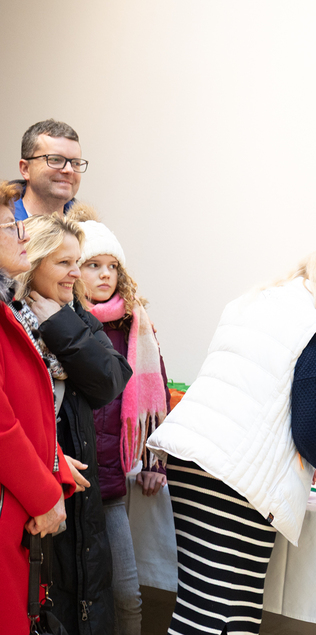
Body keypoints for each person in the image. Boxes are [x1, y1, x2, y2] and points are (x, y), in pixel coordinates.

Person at [147, 245, 316, 635]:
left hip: (190, 460)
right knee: (223, 613)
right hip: (234, 481)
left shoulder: (251, 304)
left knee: (208, 607)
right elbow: (312, 428)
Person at [14, 212, 131, 635]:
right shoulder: (13, 321)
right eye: (65, 263)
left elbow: (110, 380)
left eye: (77, 262)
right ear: (33, 263)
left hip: (80, 495)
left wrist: (59, 323)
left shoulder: (74, 312)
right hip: (35, 494)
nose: (76, 274)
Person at [70, 204, 170, 635]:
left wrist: (154, 462)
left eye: (112, 266)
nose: (105, 275)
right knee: (74, 594)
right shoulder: (59, 323)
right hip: (65, 482)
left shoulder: (136, 326)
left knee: (127, 593)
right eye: (93, 265)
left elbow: (157, 400)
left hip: (110, 487)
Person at [0, 181, 76, 634]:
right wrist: (44, 493)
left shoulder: (7, 307)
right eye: (11, 227)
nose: (22, 234)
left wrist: (55, 465)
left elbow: (27, 411)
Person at [14, 119, 86, 220]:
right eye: (55, 159)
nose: (69, 170)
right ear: (25, 169)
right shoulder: (4, 225)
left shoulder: (90, 228)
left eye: (76, 163)